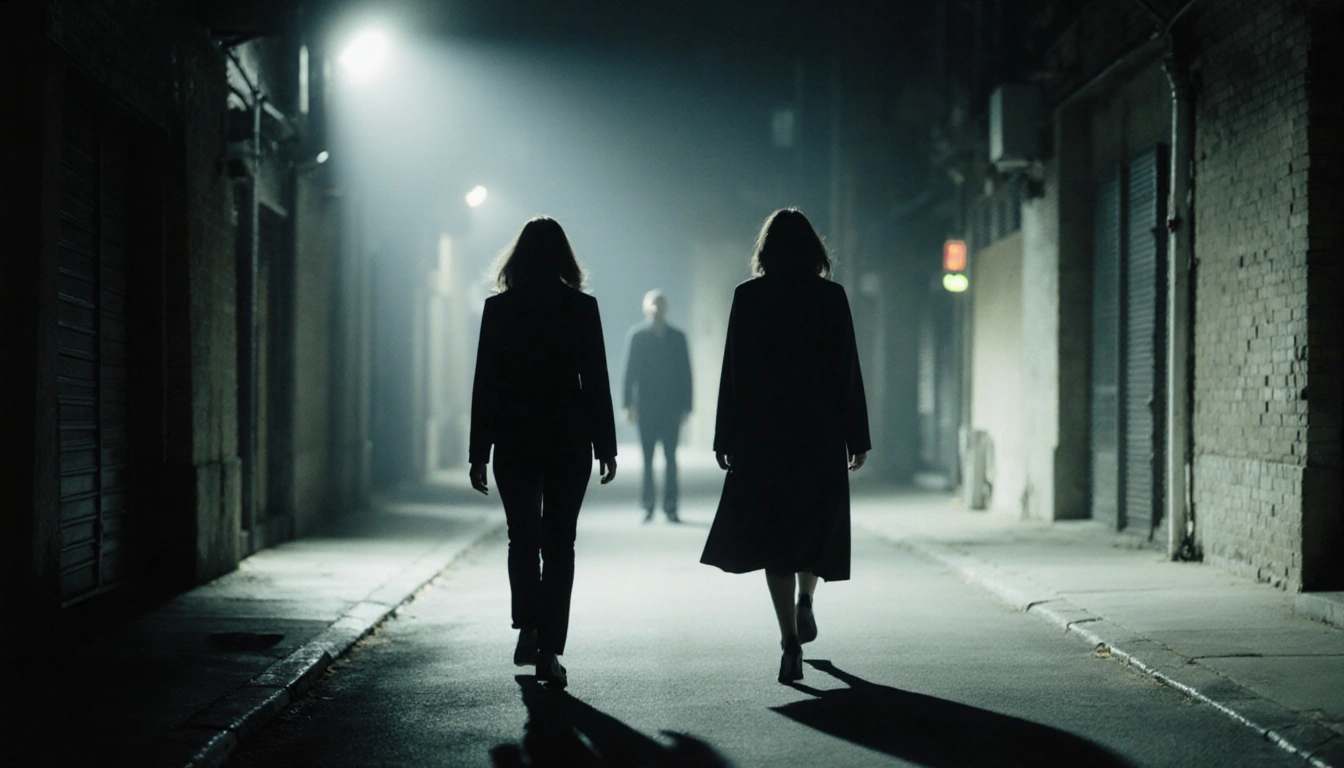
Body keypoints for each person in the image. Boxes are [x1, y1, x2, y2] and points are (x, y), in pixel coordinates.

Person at [700, 208, 870, 684]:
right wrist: (857, 438)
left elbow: (733, 371)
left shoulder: (748, 297)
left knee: (776, 538)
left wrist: (725, 436)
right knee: (816, 527)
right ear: (814, 250)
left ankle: (789, 642)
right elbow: (847, 372)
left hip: (764, 436)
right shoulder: (831, 298)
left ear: (765, 251)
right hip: (818, 434)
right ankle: (807, 599)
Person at [468, 216, 618, 689]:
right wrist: (606, 446)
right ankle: (549, 651)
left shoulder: (499, 309)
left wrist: (478, 452)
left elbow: (485, 385)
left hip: (513, 436)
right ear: (563, 259)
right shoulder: (582, 307)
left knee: (521, 539)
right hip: (568, 438)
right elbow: (595, 380)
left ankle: (527, 626)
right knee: (559, 545)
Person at [622, 289, 693, 523]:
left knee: (671, 459)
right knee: (647, 459)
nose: (657, 308)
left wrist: (686, 406)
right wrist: (628, 405)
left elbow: (686, 373)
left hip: (671, 408)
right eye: (653, 304)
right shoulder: (637, 336)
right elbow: (629, 372)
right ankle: (648, 505)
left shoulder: (677, 337)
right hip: (646, 408)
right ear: (646, 308)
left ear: (666, 308)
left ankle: (671, 506)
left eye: (660, 304)